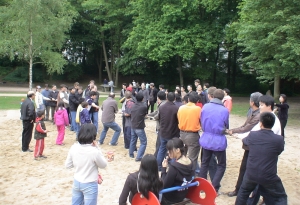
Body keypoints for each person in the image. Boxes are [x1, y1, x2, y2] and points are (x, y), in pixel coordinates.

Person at [235, 112, 287, 205]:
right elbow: (279, 151)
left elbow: (245, 141)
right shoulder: (278, 139)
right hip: (268, 175)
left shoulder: (253, 135)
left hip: (251, 173)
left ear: (261, 123)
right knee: (280, 196)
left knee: (243, 193)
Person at [226, 92, 263, 197]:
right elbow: (244, 125)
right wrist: (234, 131)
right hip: (249, 146)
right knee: (243, 169)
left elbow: (246, 128)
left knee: (250, 170)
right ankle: (238, 190)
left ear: (252, 102)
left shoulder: (258, 115)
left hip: (254, 147)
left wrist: (232, 131)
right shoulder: (253, 112)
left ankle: (250, 193)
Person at [65, 123, 107, 205]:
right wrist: (98, 148)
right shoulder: (94, 151)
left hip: (77, 182)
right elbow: (103, 165)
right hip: (90, 184)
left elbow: (68, 165)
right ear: (93, 136)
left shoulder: (74, 147)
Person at [199, 89, 229, 193]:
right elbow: (226, 125)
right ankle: (214, 186)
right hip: (218, 139)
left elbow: (201, 120)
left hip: (206, 138)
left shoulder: (205, 106)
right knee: (221, 164)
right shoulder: (224, 110)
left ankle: (202, 186)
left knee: (204, 163)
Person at [161, 138, 194, 205]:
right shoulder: (191, 162)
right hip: (183, 195)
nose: (168, 152)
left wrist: (164, 169)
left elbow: (164, 185)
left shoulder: (174, 167)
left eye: (170, 150)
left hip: (171, 198)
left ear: (178, 150)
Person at [177, 91, 201, 174]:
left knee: (182, 155)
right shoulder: (198, 109)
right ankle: (191, 174)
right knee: (192, 158)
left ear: (188, 99)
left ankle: (180, 171)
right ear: (197, 101)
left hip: (182, 133)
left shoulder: (181, 108)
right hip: (192, 135)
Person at [156, 92, 180, 170]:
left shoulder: (161, 107)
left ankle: (159, 166)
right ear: (175, 99)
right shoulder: (176, 108)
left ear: (166, 98)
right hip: (172, 133)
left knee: (162, 149)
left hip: (163, 132)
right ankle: (172, 168)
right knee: (173, 150)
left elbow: (159, 118)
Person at [129, 92, 148, 161]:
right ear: (143, 99)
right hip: (139, 126)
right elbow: (145, 115)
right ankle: (139, 157)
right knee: (143, 142)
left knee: (133, 140)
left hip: (133, 125)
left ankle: (131, 154)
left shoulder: (133, 105)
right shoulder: (143, 106)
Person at [148, 91, 167, 158]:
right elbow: (156, 112)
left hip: (161, 127)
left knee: (159, 144)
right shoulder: (164, 103)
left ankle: (156, 156)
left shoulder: (162, 105)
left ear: (158, 97)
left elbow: (158, 115)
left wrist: (152, 117)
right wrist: (148, 115)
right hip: (164, 127)